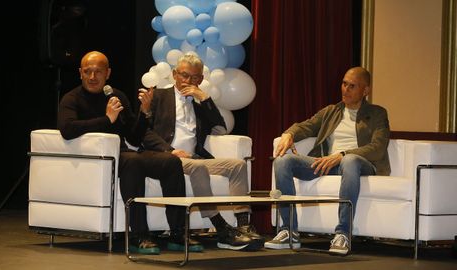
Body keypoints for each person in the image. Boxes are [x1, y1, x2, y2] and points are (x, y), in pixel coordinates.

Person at [57, 51, 203, 255]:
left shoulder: (116, 96)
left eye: (98, 72)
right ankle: (138, 235)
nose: (92, 77)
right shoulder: (71, 99)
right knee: (132, 161)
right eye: (87, 72)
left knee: (170, 162)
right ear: (80, 73)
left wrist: (144, 113)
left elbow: (134, 137)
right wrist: (107, 120)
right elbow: (67, 128)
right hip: (100, 159)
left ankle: (178, 233)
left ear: (107, 73)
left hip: (125, 153)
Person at [142, 53, 264, 251]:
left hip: (194, 158)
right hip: (167, 158)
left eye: (195, 77)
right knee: (198, 166)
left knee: (237, 165)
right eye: (184, 75)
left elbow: (221, 129)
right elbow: (144, 132)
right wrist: (170, 150)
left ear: (201, 79)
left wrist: (205, 99)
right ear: (174, 74)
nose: (189, 81)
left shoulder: (199, 107)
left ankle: (243, 224)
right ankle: (220, 227)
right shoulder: (158, 96)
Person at [265, 67, 390, 255]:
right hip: (328, 164)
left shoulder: (377, 113)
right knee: (283, 161)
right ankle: (289, 230)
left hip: (359, 164)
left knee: (349, 161)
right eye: (344, 84)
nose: (345, 89)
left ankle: (343, 234)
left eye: (352, 86)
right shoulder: (332, 111)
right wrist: (289, 133)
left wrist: (342, 154)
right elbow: (306, 126)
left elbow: (378, 147)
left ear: (365, 91)